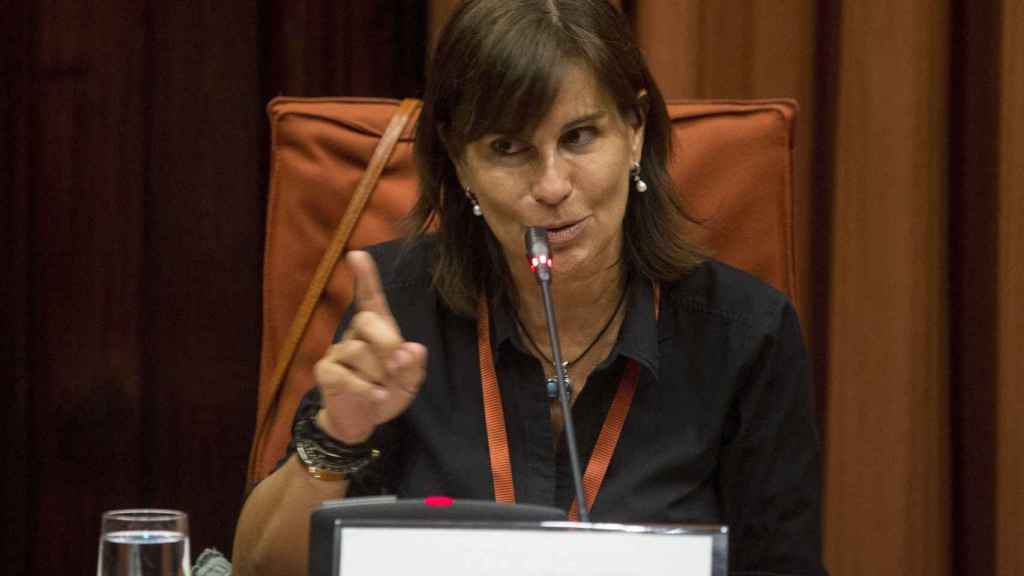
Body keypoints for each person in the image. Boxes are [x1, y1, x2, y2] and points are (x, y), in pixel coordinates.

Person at [233, 0, 827, 574]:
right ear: (461, 164)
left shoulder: (747, 335)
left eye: (579, 138)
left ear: (635, 131)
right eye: (507, 149)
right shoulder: (397, 308)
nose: (550, 186)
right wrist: (340, 434)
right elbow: (261, 568)